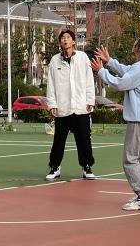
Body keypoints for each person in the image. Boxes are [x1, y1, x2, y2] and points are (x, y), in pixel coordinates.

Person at [91, 35, 140, 211]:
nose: (134, 43)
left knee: (130, 158)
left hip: (139, 119)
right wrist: (109, 62)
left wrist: (101, 71)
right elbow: (126, 71)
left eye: (137, 42)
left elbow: (121, 83)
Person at [44, 29, 97, 180]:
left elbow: (89, 81)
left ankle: (87, 167)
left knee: (84, 140)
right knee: (58, 140)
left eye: (68, 37)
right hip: (63, 108)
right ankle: (55, 167)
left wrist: (90, 100)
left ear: (73, 41)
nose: (65, 40)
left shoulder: (82, 57)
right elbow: (51, 85)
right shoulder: (55, 60)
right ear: (60, 42)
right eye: (62, 38)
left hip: (80, 107)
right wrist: (52, 104)